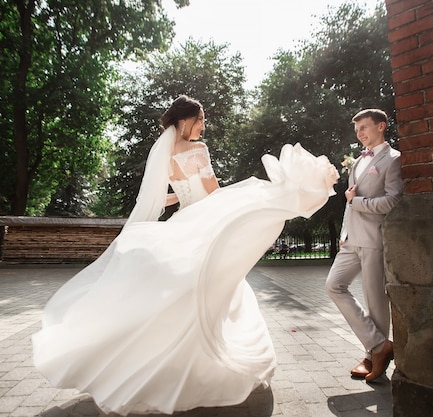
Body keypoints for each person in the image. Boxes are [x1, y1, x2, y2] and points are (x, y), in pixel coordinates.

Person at [32, 95, 340, 415]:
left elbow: (166, 197)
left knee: (187, 292)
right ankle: (198, 367)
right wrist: (245, 202)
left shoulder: (164, 154)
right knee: (212, 288)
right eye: (200, 121)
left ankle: (171, 362)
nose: (203, 128)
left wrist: (180, 198)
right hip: (202, 224)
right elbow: (212, 192)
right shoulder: (198, 151)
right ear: (185, 121)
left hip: (182, 221)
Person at [325, 108, 402, 382]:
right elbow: (350, 199)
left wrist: (355, 202)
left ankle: (372, 357)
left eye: (365, 128)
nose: (360, 134)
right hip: (351, 239)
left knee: (375, 301)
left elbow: (392, 201)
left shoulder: (393, 160)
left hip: (373, 238)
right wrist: (344, 230)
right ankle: (379, 346)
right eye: (357, 130)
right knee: (333, 285)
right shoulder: (357, 162)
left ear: (381, 126)